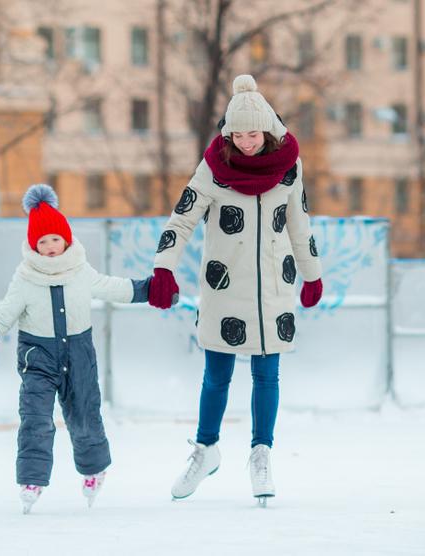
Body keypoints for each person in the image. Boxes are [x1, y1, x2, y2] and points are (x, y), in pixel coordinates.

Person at [148, 74, 323, 507]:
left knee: (267, 375)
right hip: (223, 285)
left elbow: (299, 223)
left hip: (272, 288)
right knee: (217, 375)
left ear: (267, 131)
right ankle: (206, 449)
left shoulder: (289, 168)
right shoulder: (214, 169)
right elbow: (182, 219)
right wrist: (163, 268)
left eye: (253, 134)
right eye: (237, 135)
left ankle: (261, 454)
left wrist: (312, 273)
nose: (245, 143)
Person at [0, 184, 151, 514]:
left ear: (66, 240)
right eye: (42, 241)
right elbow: (4, 314)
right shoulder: (25, 278)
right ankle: (31, 480)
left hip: (79, 357)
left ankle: (93, 470)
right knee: (35, 419)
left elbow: (113, 287)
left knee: (85, 416)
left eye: (55, 239)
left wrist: (152, 290)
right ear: (34, 245)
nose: (49, 247)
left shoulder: (81, 271)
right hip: (38, 359)